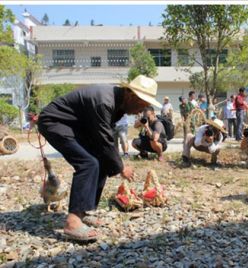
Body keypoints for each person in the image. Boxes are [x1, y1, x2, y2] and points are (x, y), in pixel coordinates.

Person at [37, 75, 161, 241]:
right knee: (88, 163)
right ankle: (72, 222)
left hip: (75, 126)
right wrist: (121, 167)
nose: (141, 110)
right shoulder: (104, 101)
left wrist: (114, 162)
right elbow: (104, 139)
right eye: (142, 104)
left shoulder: (118, 104)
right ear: (131, 95)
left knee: (101, 161)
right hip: (54, 122)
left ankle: (84, 211)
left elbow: (104, 139)